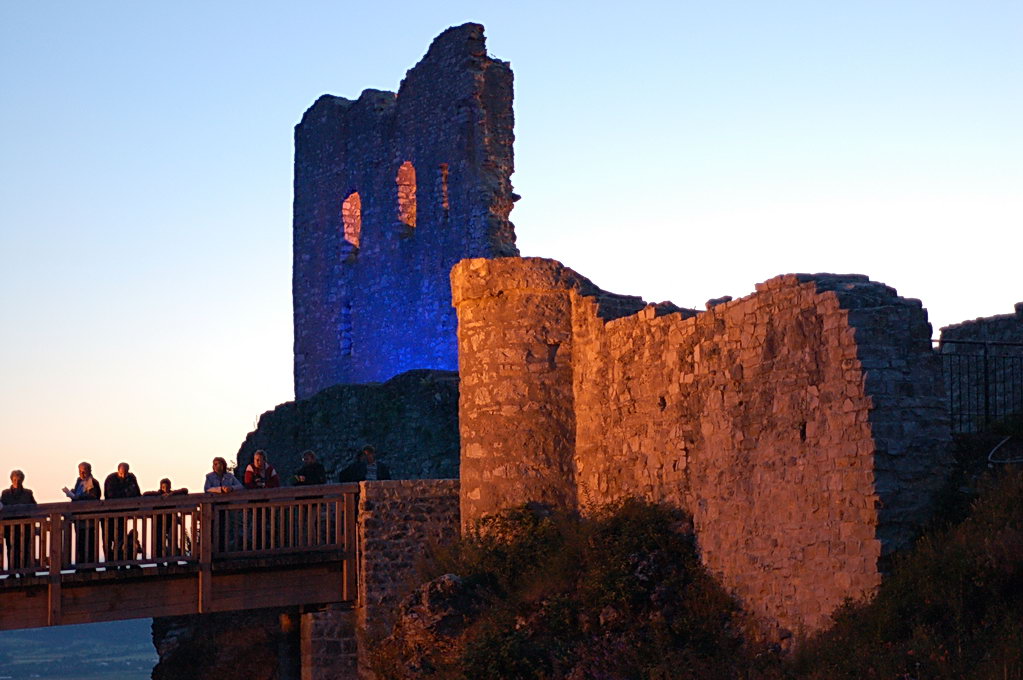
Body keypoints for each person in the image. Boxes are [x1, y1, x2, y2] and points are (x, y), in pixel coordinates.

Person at [62, 462, 101, 564]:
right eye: (80, 471)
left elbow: (93, 497)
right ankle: (81, 565)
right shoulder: (79, 481)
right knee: (80, 543)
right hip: (78, 518)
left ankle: (89, 566)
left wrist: (77, 497)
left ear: (89, 471)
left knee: (89, 543)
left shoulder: (92, 482)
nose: (82, 473)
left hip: (89, 518)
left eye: (84, 471)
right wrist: (73, 493)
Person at [104, 462, 142, 564]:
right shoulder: (111, 479)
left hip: (126, 513)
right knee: (110, 539)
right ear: (118, 471)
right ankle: (111, 563)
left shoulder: (131, 478)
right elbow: (111, 495)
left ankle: (123, 561)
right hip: (111, 514)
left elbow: (137, 493)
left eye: (126, 473)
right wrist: (126, 492)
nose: (124, 475)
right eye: (122, 473)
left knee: (120, 538)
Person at [1, 470, 38, 573]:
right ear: (11, 480)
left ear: (22, 480)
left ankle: (24, 571)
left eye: (19, 480)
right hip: (10, 527)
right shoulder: (5, 493)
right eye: (15, 480)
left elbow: (34, 506)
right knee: (11, 549)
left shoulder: (28, 493)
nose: (17, 482)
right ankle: (12, 572)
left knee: (25, 549)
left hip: (25, 526)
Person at [143, 478, 188, 560]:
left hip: (170, 521)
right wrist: (159, 495)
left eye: (167, 487)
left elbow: (185, 490)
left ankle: (172, 559)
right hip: (158, 521)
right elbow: (145, 494)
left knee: (172, 540)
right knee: (159, 541)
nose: (165, 489)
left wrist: (172, 493)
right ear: (161, 487)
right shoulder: (157, 494)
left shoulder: (172, 494)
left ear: (170, 486)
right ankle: (159, 560)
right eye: (163, 487)